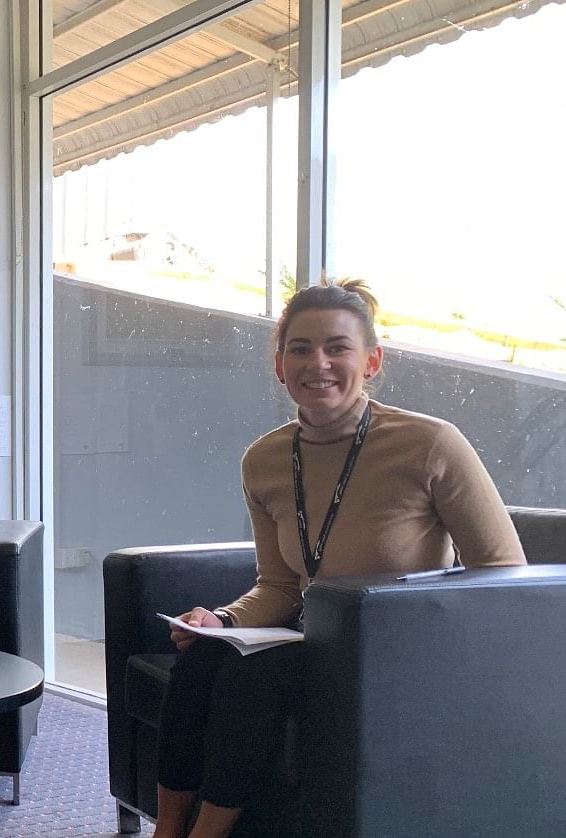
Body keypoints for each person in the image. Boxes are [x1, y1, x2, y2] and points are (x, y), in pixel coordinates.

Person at [153, 279, 525, 838]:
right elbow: (279, 586)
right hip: (313, 638)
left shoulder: (431, 444)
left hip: (399, 651)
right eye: (300, 348)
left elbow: (503, 577)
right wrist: (222, 620)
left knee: (257, 673)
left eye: (337, 347)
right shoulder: (266, 459)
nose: (318, 363)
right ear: (279, 365)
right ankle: (167, 828)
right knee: (204, 659)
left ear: (371, 360)